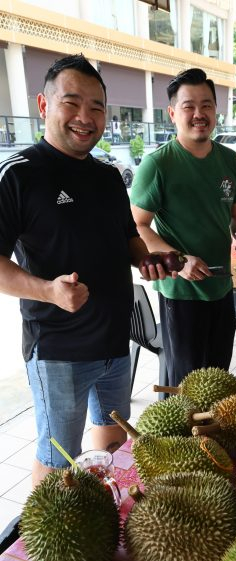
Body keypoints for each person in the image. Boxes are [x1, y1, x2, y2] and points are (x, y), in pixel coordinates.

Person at [0, 54, 159, 487]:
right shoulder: (19, 175)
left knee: (112, 440)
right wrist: (49, 291)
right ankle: (44, 554)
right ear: (44, 104)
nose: (85, 117)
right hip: (58, 349)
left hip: (113, 341)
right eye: (72, 103)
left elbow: (128, 237)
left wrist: (146, 257)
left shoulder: (108, 176)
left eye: (96, 107)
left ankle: (100, 514)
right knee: (58, 461)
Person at [130, 68, 236, 387]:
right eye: (189, 106)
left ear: (215, 110)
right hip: (180, 292)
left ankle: (211, 438)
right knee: (186, 386)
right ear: (172, 113)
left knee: (218, 380)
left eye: (207, 105)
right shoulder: (158, 164)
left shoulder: (228, 160)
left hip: (222, 286)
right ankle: (185, 437)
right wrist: (178, 260)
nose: (199, 114)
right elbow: (137, 226)